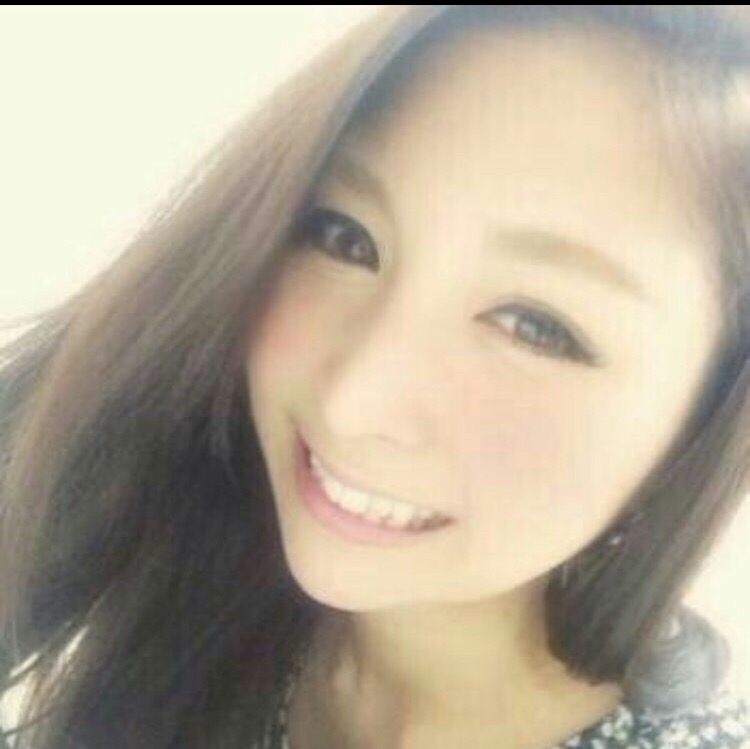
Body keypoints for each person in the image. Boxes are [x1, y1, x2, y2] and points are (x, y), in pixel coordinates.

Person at [0, 5, 749, 749]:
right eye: (344, 237)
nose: (350, 402)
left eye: (535, 326)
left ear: (703, 417)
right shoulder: (186, 563)